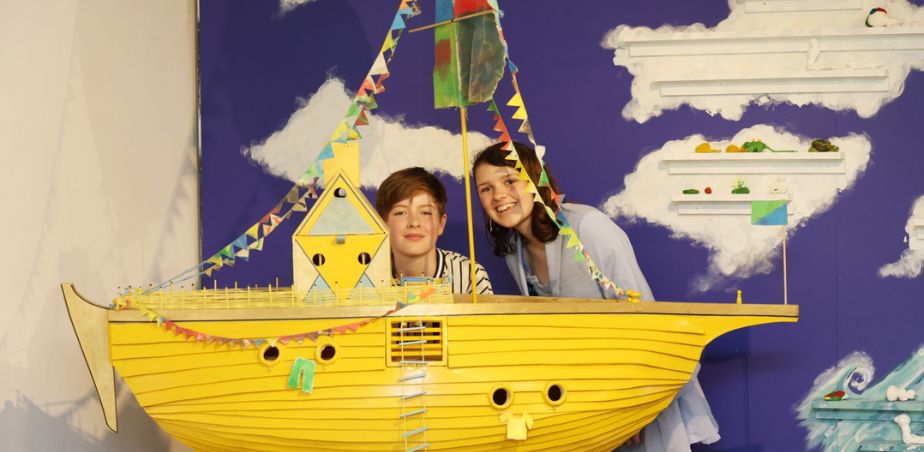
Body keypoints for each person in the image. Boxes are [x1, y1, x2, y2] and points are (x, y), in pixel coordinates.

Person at [473, 142, 719, 451]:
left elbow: (644, 317)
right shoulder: (514, 252)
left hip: (632, 393)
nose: (499, 196)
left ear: (534, 179)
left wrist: (631, 409)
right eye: (485, 189)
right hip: (578, 402)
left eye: (509, 180)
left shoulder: (588, 227)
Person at [376, 167, 493, 295]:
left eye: (425, 212)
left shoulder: (470, 274)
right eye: (400, 213)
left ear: (441, 224)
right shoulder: (366, 276)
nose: (414, 223)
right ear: (382, 223)